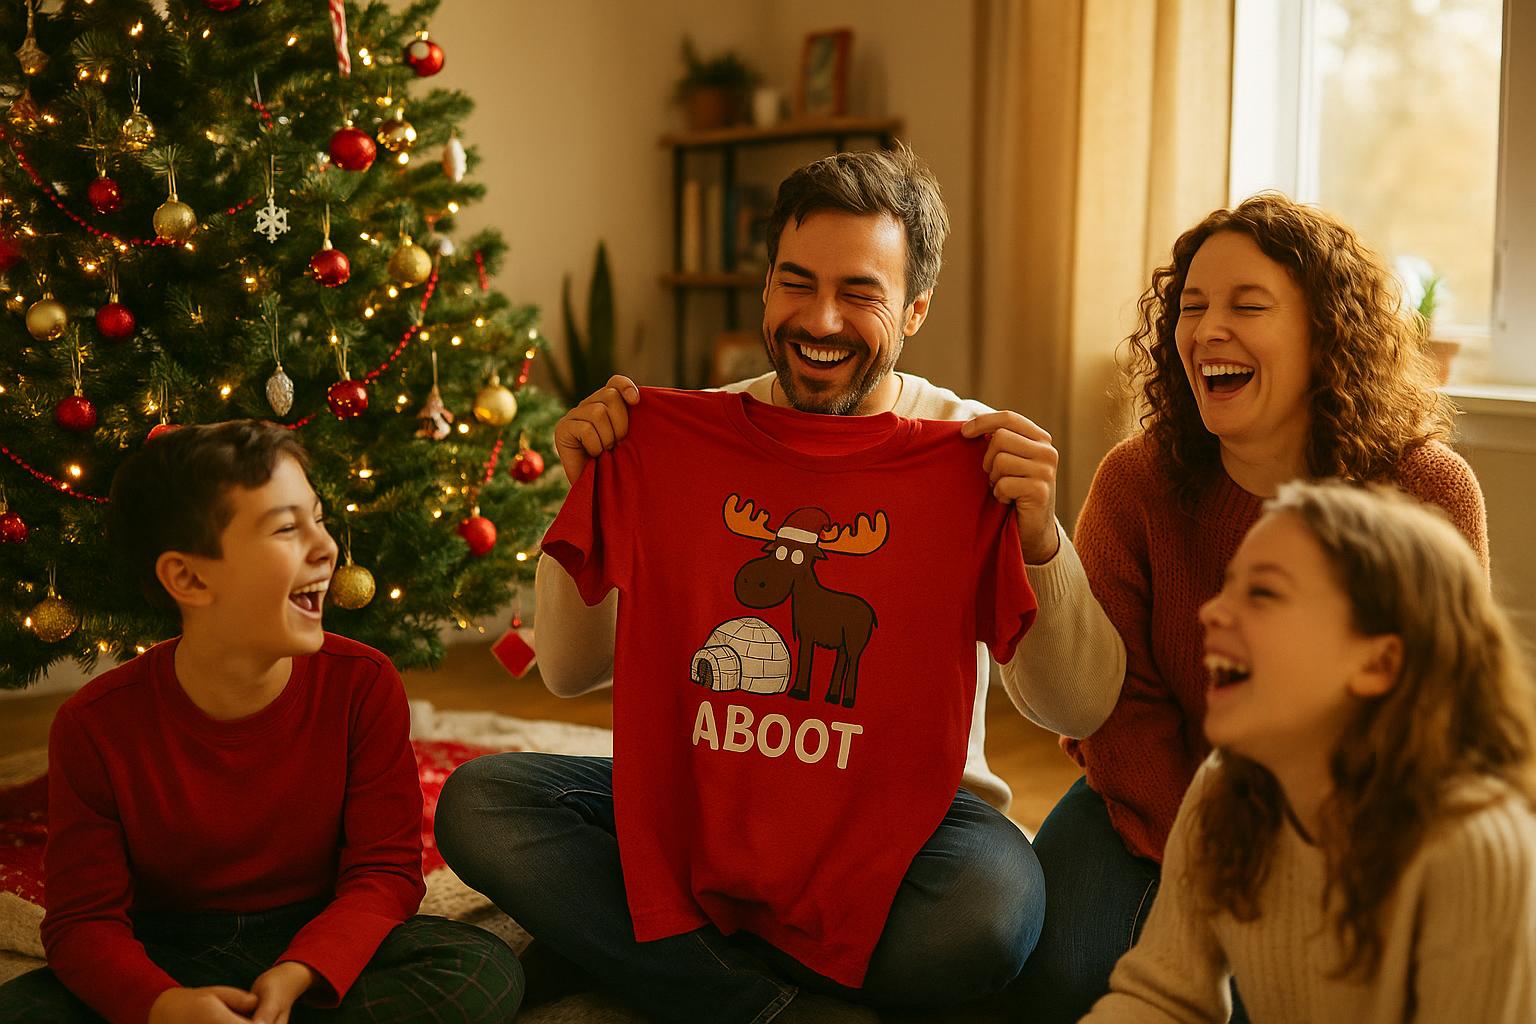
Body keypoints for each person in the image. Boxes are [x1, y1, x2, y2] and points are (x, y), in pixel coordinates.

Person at [434, 146, 1125, 1023]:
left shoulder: (970, 453)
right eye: (796, 283)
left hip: (906, 825)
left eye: (861, 293)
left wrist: (1039, 540)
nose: (822, 319)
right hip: (704, 803)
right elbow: (568, 672)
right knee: (483, 802)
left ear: (914, 312)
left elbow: (1083, 707)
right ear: (764, 291)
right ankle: (778, 1008)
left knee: (991, 913)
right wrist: (591, 491)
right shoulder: (685, 440)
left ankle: (663, 964)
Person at [1011, 193, 1490, 1021]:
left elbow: (1436, 723)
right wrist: (1207, 859)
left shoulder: (1428, 490)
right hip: (1153, 809)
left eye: (1247, 305)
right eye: (1190, 308)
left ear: (1325, 331)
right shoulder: (1137, 481)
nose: (1204, 331)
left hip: (1344, 830)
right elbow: (1116, 705)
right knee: (1068, 971)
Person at [0, 421, 523, 1024]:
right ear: (189, 578)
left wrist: (302, 971)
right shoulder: (93, 725)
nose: (326, 547)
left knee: (482, 971)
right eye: (285, 528)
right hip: (167, 951)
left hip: (320, 934)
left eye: (319, 518)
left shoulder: (363, 682)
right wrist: (163, 1005)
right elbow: (84, 923)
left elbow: (384, 873)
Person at [1082, 480, 1536, 1022]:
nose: (1211, 613)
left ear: (1378, 665)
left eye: (1265, 593)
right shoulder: (1225, 786)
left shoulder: (1473, 849)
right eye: (1229, 587)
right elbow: (1162, 996)